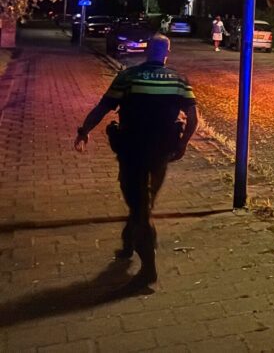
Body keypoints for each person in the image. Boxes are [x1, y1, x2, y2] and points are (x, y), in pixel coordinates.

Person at [73, 34, 198, 287]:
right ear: (166, 53)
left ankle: (148, 269)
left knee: (141, 208)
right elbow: (193, 119)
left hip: (132, 151)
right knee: (145, 201)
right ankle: (129, 242)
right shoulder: (179, 80)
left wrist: (84, 131)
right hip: (162, 152)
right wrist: (183, 144)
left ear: (146, 50)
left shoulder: (128, 77)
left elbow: (103, 108)